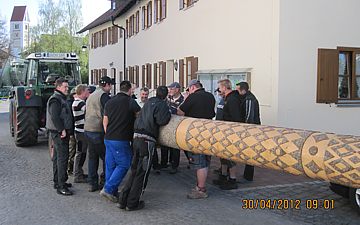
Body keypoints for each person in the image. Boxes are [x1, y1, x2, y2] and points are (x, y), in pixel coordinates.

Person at [119, 86, 171, 211]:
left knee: (134, 170)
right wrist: (168, 113)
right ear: (165, 96)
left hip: (136, 137)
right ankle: (132, 203)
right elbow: (162, 120)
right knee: (142, 172)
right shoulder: (162, 104)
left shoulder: (148, 103)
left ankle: (123, 200)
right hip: (147, 140)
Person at [100, 81, 141, 203]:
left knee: (110, 165)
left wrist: (108, 133)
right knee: (124, 164)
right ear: (128, 90)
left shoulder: (110, 101)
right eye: (132, 90)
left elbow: (105, 121)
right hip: (121, 138)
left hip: (108, 138)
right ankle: (108, 189)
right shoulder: (130, 102)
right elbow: (140, 116)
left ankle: (111, 190)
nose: (132, 92)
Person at [177, 80, 215, 199]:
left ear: (193, 87)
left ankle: (201, 189)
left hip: (196, 132)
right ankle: (201, 185)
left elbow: (180, 112)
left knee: (199, 162)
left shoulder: (193, 97)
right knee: (206, 159)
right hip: (209, 131)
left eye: (189, 89)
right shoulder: (210, 96)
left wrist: (187, 98)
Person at [213, 79, 244, 190]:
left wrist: (232, 132)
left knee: (230, 157)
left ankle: (232, 179)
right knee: (223, 156)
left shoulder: (232, 99)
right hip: (222, 132)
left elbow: (236, 118)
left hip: (229, 133)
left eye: (220, 88)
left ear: (224, 88)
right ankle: (223, 176)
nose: (218, 90)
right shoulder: (225, 98)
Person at [84, 76, 113, 192]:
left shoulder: (92, 95)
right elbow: (108, 112)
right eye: (110, 85)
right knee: (106, 157)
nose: (111, 87)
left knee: (92, 157)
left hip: (88, 129)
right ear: (106, 85)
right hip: (98, 130)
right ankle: (106, 181)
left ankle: (92, 183)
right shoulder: (104, 96)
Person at [46, 78, 73, 196]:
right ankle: (61, 186)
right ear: (58, 87)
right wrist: (62, 129)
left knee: (58, 158)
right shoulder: (55, 99)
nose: (67, 89)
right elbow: (55, 117)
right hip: (59, 133)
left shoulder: (60, 98)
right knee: (62, 158)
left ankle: (58, 181)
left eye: (67, 86)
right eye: (65, 87)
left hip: (59, 132)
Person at [237, 81, 261, 182]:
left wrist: (245, 130)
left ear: (243, 90)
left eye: (238, 90)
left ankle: (248, 176)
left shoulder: (249, 99)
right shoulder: (248, 98)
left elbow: (249, 116)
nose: (236, 92)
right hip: (252, 128)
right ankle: (247, 175)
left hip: (251, 130)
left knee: (250, 152)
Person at [160, 82, 184, 174]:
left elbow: (181, 112)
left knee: (175, 146)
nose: (169, 91)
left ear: (177, 89)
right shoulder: (167, 98)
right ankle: (163, 163)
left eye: (171, 89)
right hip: (166, 124)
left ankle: (174, 165)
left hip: (176, 125)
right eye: (169, 89)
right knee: (164, 144)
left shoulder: (182, 100)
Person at [72, 84, 90, 183]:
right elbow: (89, 112)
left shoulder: (78, 102)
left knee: (81, 153)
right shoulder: (80, 104)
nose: (88, 92)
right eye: (87, 90)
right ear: (82, 91)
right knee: (80, 153)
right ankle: (77, 175)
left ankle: (78, 173)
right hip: (81, 132)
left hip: (79, 131)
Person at [67, 88, 76, 176]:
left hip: (71, 131)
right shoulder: (71, 104)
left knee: (72, 150)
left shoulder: (68, 103)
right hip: (72, 131)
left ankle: (70, 169)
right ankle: (69, 169)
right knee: (72, 150)